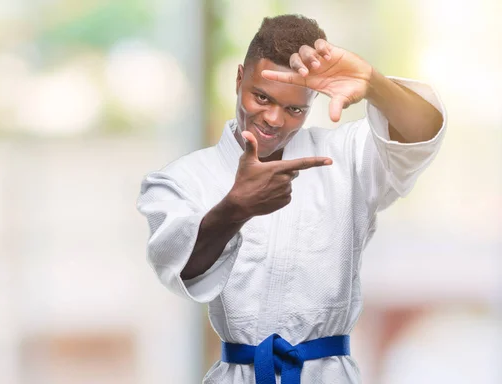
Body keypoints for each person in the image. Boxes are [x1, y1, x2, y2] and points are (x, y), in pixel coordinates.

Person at [136, 14, 446, 384]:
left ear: (312, 102)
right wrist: (235, 208)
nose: (273, 118)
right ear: (239, 79)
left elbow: (420, 135)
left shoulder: (344, 158)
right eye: (261, 97)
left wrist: (375, 85)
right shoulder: (181, 179)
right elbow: (177, 267)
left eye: (294, 109)